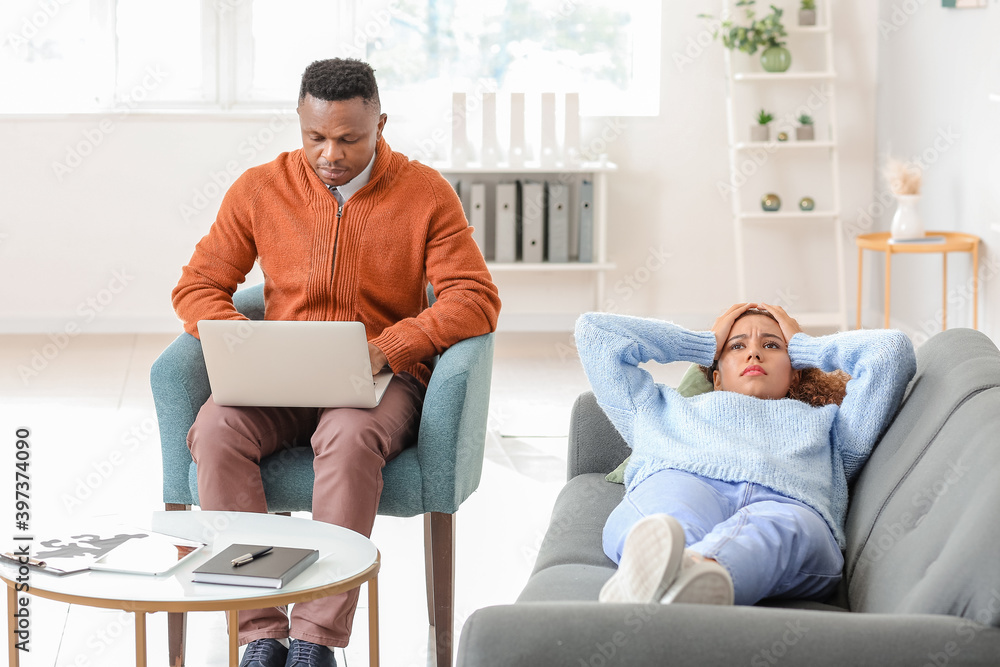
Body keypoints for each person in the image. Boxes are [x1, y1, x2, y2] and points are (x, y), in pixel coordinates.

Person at [172, 58, 501, 667]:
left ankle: (314, 640)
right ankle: (261, 634)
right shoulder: (259, 187)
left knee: (348, 439)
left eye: (350, 138)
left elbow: (474, 298)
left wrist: (393, 345)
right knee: (215, 430)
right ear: (300, 123)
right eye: (316, 137)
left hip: (379, 379)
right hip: (280, 374)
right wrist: (241, 339)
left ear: (380, 123)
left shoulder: (426, 192)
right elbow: (198, 286)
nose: (330, 154)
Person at [573, 303, 915, 607]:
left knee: (783, 527)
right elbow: (596, 333)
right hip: (684, 481)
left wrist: (805, 345)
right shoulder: (660, 410)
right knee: (669, 514)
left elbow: (890, 353)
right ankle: (678, 575)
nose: (754, 353)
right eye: (737, 345)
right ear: (716, 377)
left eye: (771, 345)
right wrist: (703, 343)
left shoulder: (832, 427)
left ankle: (690, 576)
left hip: (789, 506)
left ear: (795, 369)